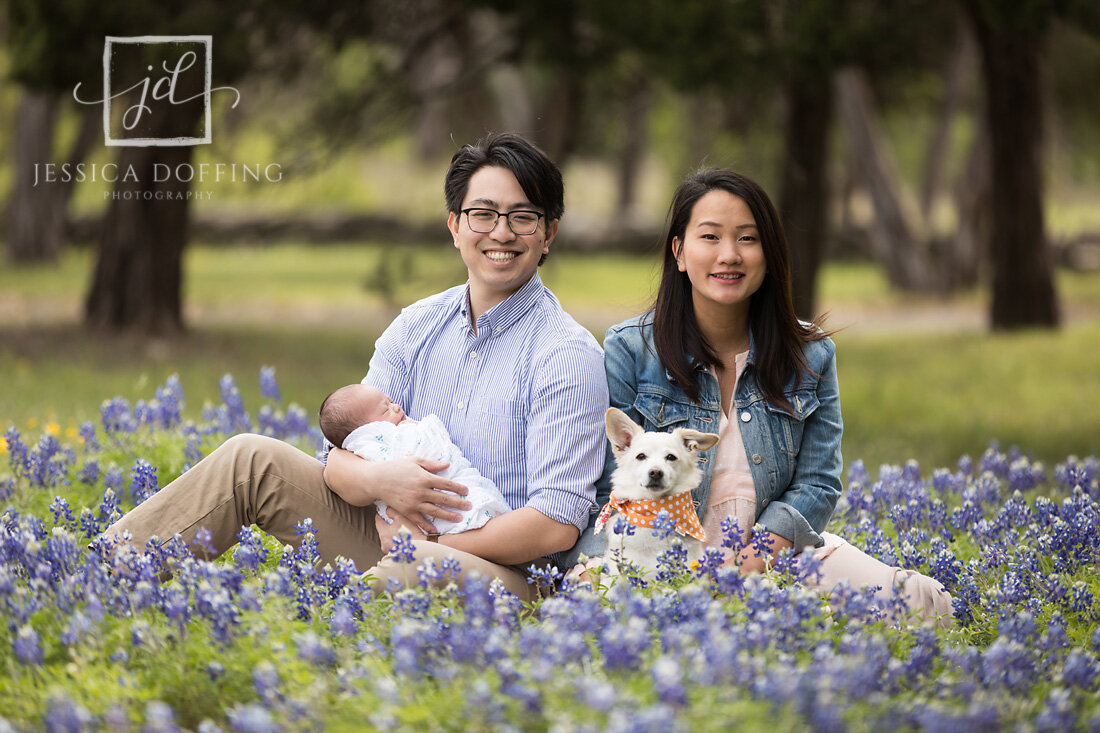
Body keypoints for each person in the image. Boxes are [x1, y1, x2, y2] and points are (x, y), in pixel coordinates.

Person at [104, 133, 608, 602]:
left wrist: (426, 541)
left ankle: (315, 658)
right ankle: (103, 576)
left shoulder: (565, 353)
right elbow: (338, 457)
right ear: (455, 226)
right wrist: (383, 485)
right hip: (389, 536)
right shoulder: (417, 326)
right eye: (483, 213)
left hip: (509, 574)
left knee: (417, 566)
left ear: (549, 234)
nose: (502, 231)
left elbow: (554, 525)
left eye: (524, 216)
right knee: (250, 459)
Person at [570, 169, 953, 627]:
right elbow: (604, 481)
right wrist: (593, 564)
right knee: (594, 617)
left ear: (769, 255)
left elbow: (818, 481)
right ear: (679, 252)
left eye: (747, 239)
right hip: (656, 555)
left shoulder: (809, 353)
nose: (729, 255)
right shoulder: (631, 349)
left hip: (771, 555)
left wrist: (760, 552)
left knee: (924, 601)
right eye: (709, 236)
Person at [318, 383, 511, 535]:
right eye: (386, 410)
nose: (396, 407)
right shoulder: (372, 444)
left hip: (460, 538)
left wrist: (424, 543)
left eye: (391, 401)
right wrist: (378, 479)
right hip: (408, 528)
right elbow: (332, 458)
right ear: (367, 431)